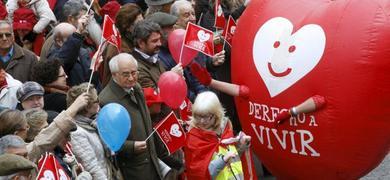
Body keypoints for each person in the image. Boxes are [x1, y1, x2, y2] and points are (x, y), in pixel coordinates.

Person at [99, 53, 164, 179]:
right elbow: (107, 141)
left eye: (134, 73)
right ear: (114, 75)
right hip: (133, 167)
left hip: (150, 160)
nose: (131, 78)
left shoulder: (136, 87)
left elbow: (146, 121)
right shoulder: (106, 101)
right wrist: (131, 147)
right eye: (125, 74)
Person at [184, 91, 251, 179]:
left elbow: (235, 158)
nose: (202, 121)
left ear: (216, 114)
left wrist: (242, 145)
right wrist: (222, 160)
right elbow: (198, 175)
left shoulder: (226, 127)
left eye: (206, 116)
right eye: (198, 116)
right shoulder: (193, 138)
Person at [67, 83, 119, 180]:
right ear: (87, 107)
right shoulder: (77, 132)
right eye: (97, 100)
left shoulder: (94, 123)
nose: (99, 103)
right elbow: (91, 166)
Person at [47, 15, 101, 89]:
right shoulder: (53, 58)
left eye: (76, 35)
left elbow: (90, 81)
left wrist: (93, 69)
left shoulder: (83, 52)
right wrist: (78, 32)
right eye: (71, 37)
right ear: (59, 41)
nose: (77, 39)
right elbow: (65, 60)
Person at [101, 3, 144, 87]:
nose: (143, 27)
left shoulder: (132, 41)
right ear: (127, 26)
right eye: (139, 24)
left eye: (143, 22)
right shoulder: (119, 49)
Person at [131, 20, 183, 89]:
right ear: (141, 43)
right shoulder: (135, 68)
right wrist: (171, 76)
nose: (159, 44)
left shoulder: (153, 56)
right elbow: (153, 96)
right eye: (154, 41)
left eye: (159, 39)